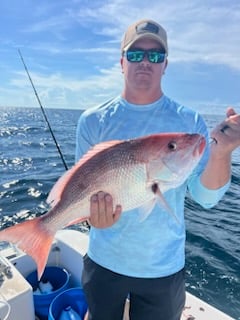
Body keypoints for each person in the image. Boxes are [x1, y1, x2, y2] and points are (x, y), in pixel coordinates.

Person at [75, 19, 240, 320]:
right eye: (136, 54)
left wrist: (221, 152)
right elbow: (83, 188)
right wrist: (93, 218)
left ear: (166, 64)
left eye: (156, 55)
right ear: (121, 62)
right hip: (104, 261)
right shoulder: (92, 121)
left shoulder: (189, 122)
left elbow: (205, 198)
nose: (145, 62)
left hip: (163, 268)